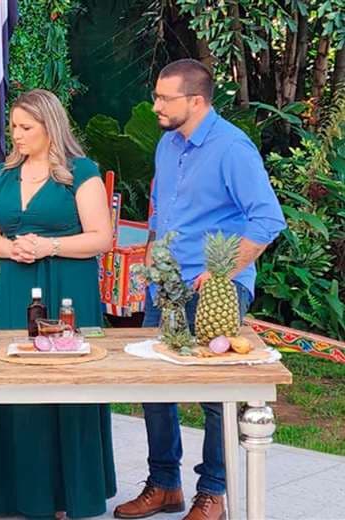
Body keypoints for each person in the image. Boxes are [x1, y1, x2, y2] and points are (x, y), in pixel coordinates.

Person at [113, 59, 286, 520]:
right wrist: (151, 256)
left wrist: (223, 272)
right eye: (156, 96)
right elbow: (160, 209)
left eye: (163, 98)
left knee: (215, 395)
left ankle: (213, 494)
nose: (155, 106)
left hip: (215, 290)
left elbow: (268, 219)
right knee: (155, 387)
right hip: (166, 285)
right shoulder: (168, 144)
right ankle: (164, 485)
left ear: (196, 101)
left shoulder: (233, 148)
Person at [0, 89, 117, 520]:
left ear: (50, 128)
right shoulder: (3, 175)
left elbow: (102, 238)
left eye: (25, 127)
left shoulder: (80, 173)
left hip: (68, 287)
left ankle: (66, 496)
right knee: (11, 385)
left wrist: (50, 246)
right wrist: (10, 249)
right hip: (16, 288)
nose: (16, 135)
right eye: (13, 126)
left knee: (67, 385)